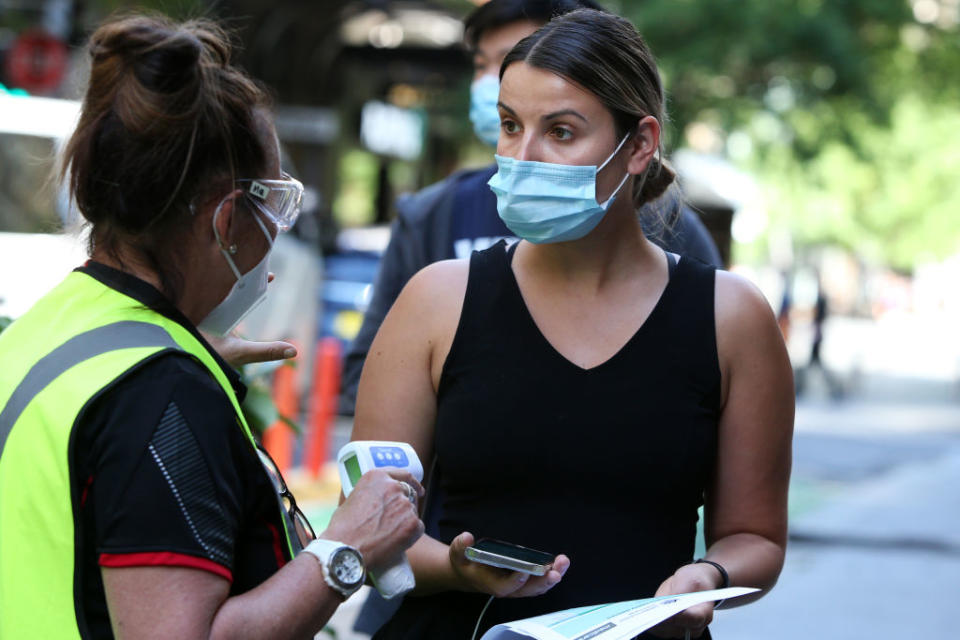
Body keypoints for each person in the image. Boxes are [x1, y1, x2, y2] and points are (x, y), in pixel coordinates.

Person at [352, 9, 794, 639]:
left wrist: (708, 577)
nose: (522, 156)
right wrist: (453, 566)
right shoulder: (436, 301)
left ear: (639, 144)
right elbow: (370, 532)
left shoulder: (732, 317)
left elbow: (754, 535)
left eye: (560, 132)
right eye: (510, 126)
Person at [0, 14, 423, 639]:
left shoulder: (48, 329)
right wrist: (348, 549)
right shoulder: (161, 392)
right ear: (226, 221)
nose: (277, 231)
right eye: (274, 202)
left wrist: (182, 360)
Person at [339, 0, 723, 415]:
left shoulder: (670, 232)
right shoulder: (433, 224)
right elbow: (373, 379)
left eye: (561, 131)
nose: (490, 80)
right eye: (482, 64)